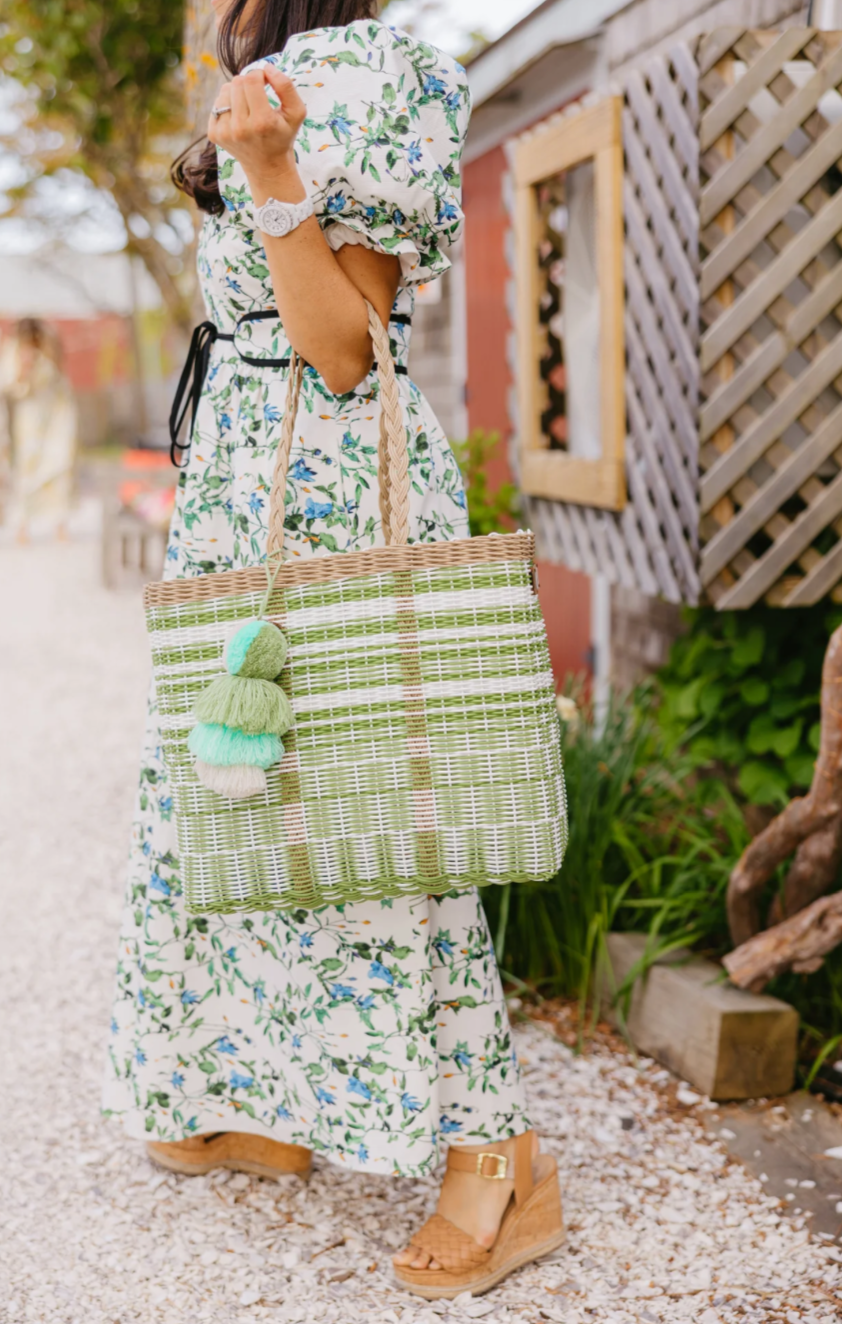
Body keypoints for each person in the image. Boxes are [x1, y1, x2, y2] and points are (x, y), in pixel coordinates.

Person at [103, 0, 563, 1298]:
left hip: (333, 491)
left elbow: (348, 348)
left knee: (385, 819)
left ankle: (499, 1160)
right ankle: (272, 1090)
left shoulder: (388, 76)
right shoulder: (256, 68)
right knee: (241, 787)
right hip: (244, 489)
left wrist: (270, 173)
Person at [0, 318, 77, 542]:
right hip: (30, 418)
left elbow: (59, 383)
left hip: (56, 419)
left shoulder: (49, 350)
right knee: (27, 470)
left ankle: (60, 524)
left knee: (60, 468)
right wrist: (22, 373)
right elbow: (8, 385)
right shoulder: (12, 351)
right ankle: (22, 525)